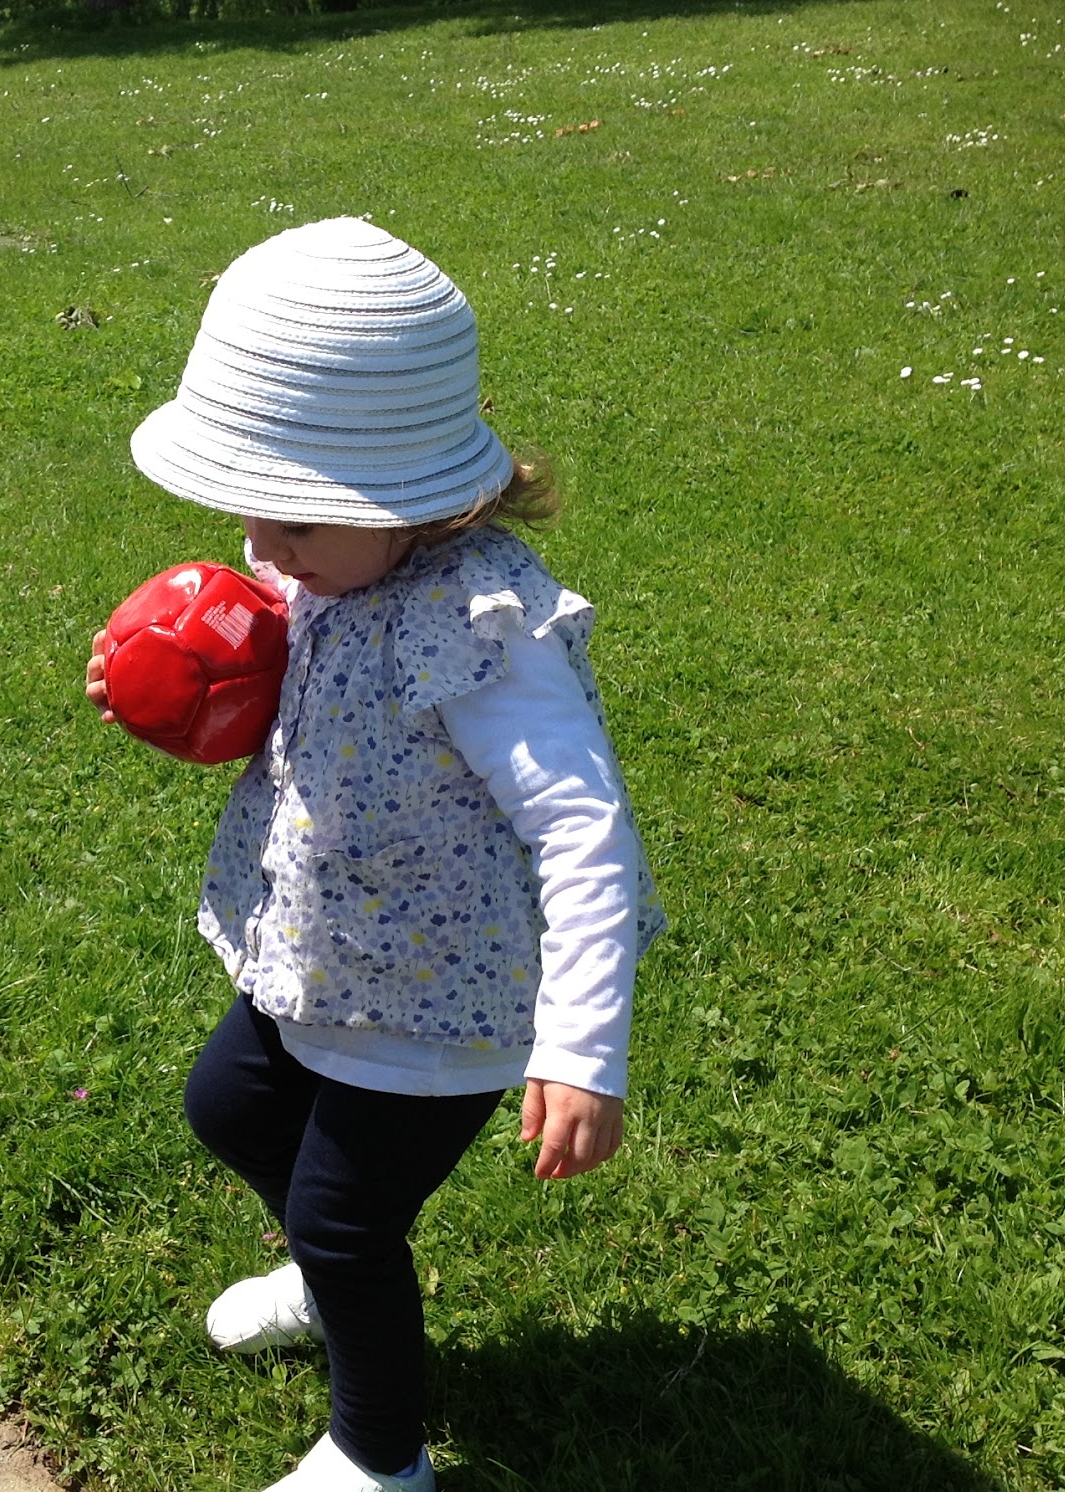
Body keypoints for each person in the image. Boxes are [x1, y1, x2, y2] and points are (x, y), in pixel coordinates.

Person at [84, 218, 664, 1492]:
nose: (262, 543)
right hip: (329, 947)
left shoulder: (485, 632)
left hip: (442, 997)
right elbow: (276, 674)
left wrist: (581, 1049)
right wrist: (161, 685)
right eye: (251, 504)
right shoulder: (328, 572)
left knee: (348, 1223)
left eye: (296, 517)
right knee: (228, 1108)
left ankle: (378, 1455)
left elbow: (582, 832)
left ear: (408, 500)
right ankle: (325, 1270)